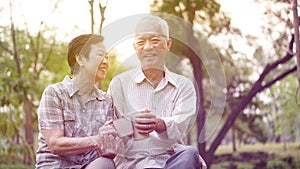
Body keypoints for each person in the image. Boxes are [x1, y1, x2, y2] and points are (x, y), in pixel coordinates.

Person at [108, 15, 207, 169]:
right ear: (135, 48)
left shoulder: (184, 85)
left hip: (171, 160)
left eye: (155, 40)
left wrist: (157, 123)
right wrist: (131, 124)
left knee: (189, 153)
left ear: (168, 44)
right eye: (141, 42)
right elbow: (111, 128)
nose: (148, 47)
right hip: (132, 162)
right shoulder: (119, 84)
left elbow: (181, 127)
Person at [36, 34, 119, 169]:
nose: (105, 62)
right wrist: (97, 139)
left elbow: (109, 150)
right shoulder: (54, 93)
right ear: (80, 59)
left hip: (92, 166)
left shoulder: (107, 100)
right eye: (100, 55)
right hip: (55, 166)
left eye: (107, 57)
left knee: (106, 163)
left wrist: (121, 134)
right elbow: (55, 144)